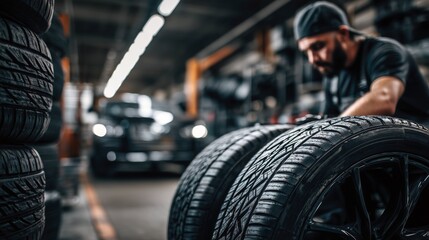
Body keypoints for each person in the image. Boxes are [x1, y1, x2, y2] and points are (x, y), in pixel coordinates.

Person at [293, 1, 429, 127]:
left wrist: (332, 128)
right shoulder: (332, 76)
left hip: (420, 144)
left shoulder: (384, 52)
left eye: (318, 46)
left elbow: (384, 99)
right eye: (306, 52)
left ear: (343, 34)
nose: (312, 59)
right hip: (381, 148)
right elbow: (328, 120)